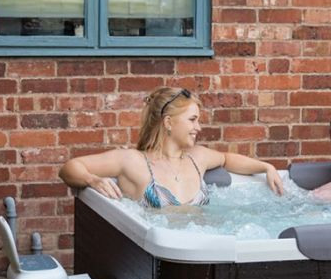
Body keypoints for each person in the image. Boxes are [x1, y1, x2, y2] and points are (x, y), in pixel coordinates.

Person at [59, 87, 283, 207]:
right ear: (168, 122)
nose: (198, 127)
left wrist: (266, 167)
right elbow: (69, 168)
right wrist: (92, 180)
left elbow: (227, 159)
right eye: (192, 120)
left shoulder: (197, 157)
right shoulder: (133, 161)